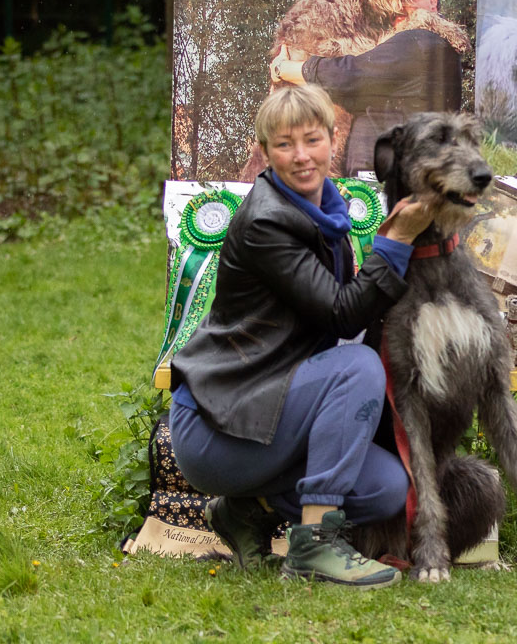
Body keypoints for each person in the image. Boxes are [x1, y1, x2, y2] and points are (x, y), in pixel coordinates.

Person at [169, 83, 436, 587]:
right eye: (284, 144)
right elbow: (341, 315)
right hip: (217, 426)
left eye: (311, 140)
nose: (301, 156)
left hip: (266, 407)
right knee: (357, 367)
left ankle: (244, 511)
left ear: (332, 139)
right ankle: (314, 546)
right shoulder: (267, 223)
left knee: (385, 487)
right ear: (266, 152)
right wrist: (397, 240)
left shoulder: (325, 210)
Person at [270, 0, 467, 175]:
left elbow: (348, 76)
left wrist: (285, 69)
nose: (399, 4)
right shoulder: (436, 46)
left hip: (382, 185)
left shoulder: (418, 40)